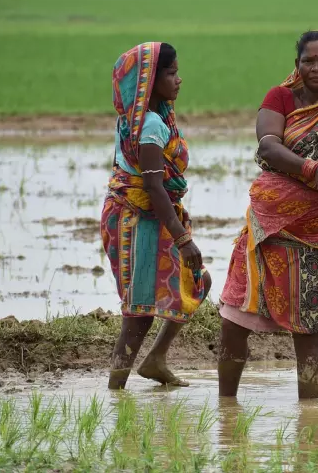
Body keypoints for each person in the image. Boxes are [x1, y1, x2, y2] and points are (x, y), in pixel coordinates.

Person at [217, 31, 318, 399]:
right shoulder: (280, 98)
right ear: (297, 64)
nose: (316, 68)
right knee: (234, 323)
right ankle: (226, 406)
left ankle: (310, 416)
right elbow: (268, 146)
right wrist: (310, 169)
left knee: (309, 331)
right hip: (268, 230)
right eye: (308, 61)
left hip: (317, 234)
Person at [100, 42, 211, 390]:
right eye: (171, 73)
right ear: (149, 81)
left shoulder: (136, 120)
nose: (179, 79)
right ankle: (116, 390)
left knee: (198, 282)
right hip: (139, 218)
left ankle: (155, 360)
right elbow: (153, 187)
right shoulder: (149, 126)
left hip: (142, 215)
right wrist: (184, 239)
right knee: (139, 313)